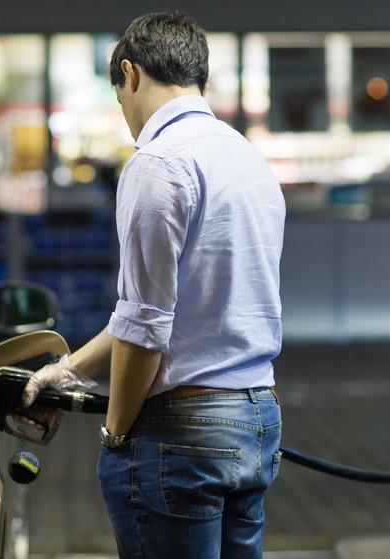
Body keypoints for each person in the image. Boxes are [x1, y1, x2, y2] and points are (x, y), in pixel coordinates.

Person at [22, 11, 286, 558]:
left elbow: (147, 325)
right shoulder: (246, 158)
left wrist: (117, 432)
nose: (124, 114)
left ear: (130, 73)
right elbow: (158, 312)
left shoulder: (159, 161)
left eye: (118, 97)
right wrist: (68, 369)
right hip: (256, 419)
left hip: (181, 433)